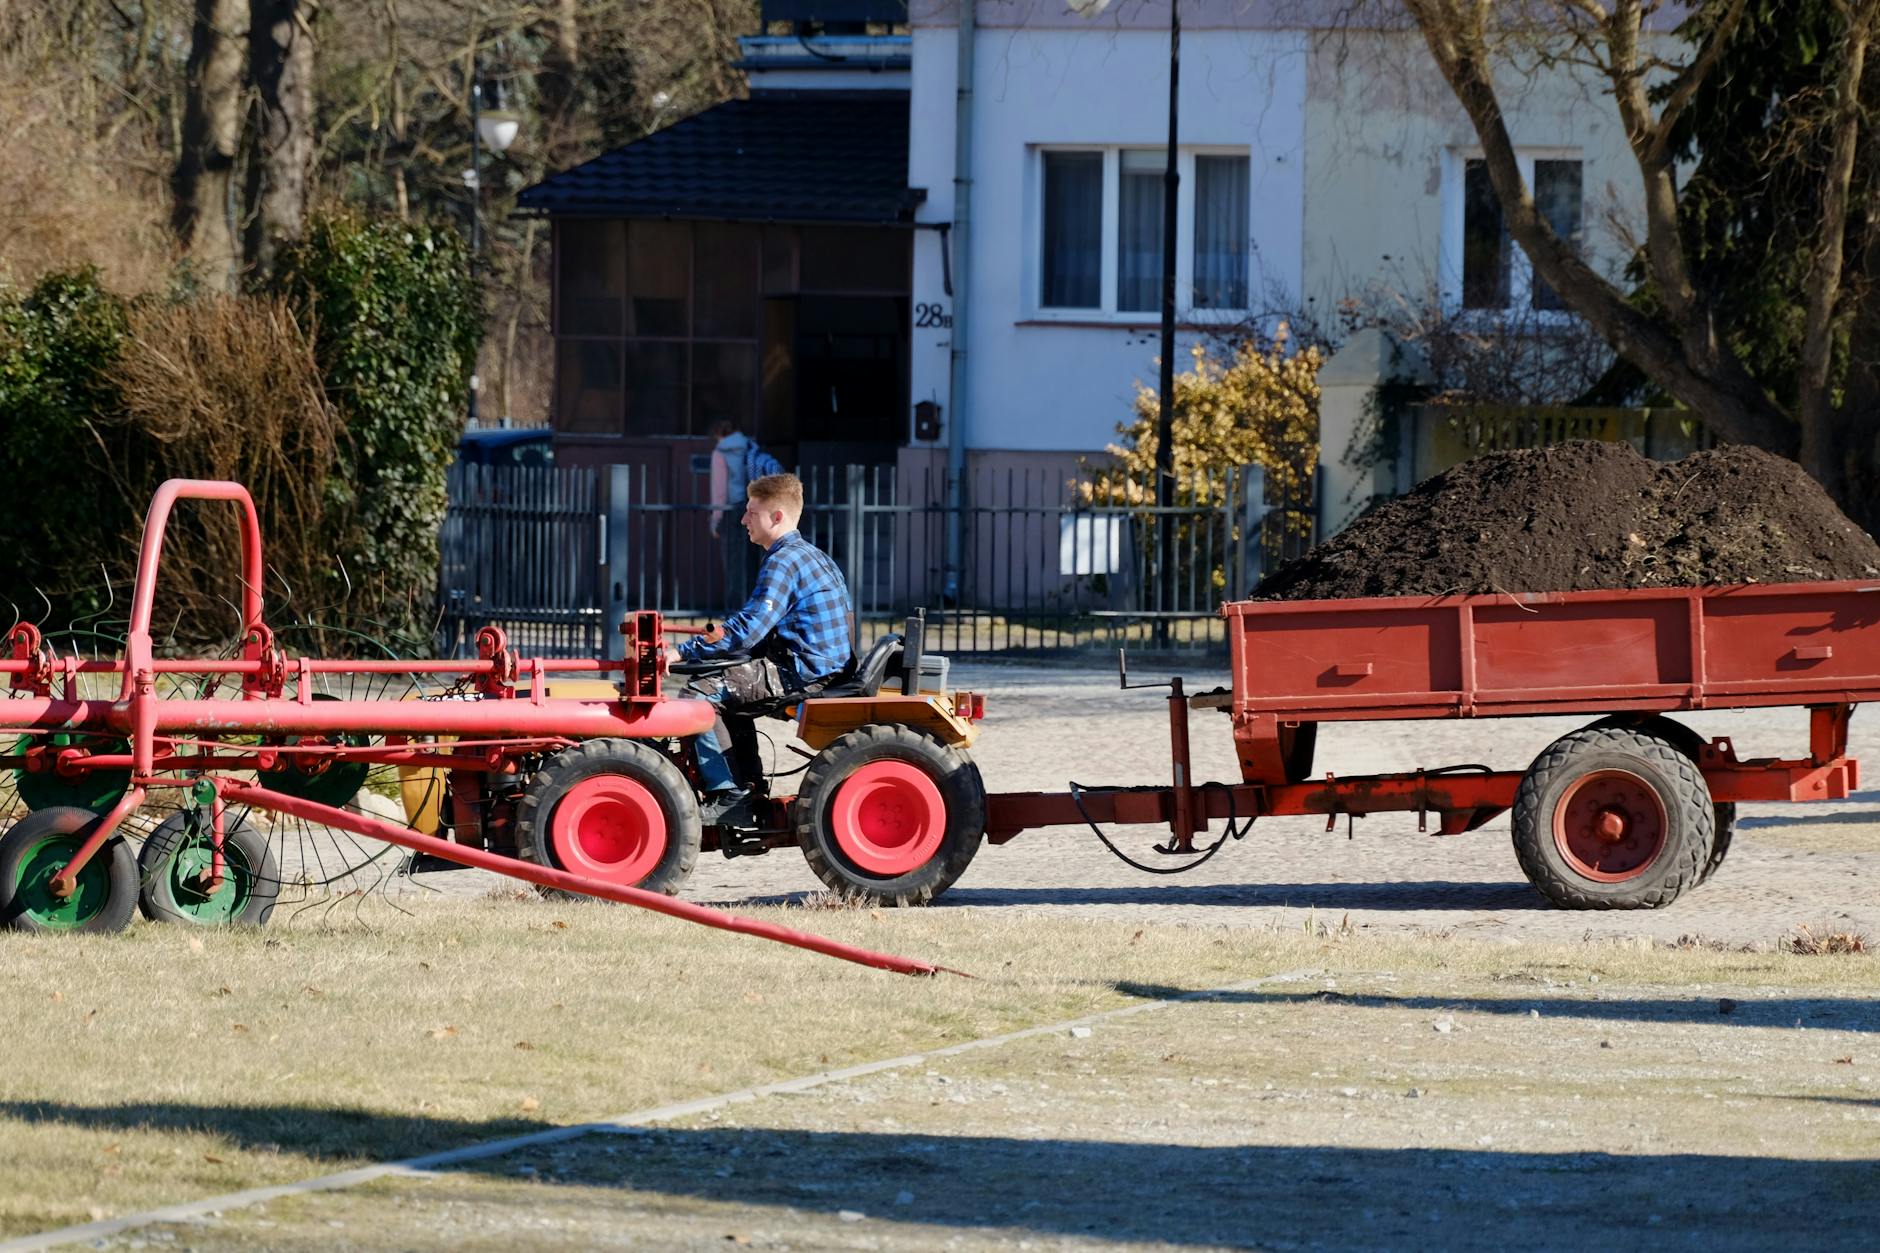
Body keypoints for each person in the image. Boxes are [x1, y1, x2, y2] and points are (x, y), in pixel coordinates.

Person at [669, 472, 853, 815]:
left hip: (802, 670)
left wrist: (683, 650)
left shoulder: (784, 561)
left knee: (698, 694)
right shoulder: (811, 555)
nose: (742, 520)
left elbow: (750, 628)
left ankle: (730, 796)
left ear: (777, 516)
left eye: (751, 513)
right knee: (731, 689)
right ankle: (749, 785)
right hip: (822, 666)